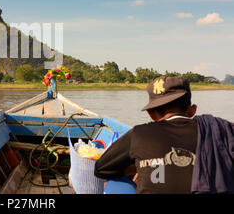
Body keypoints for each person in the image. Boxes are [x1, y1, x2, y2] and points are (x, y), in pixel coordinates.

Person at [94, 76, 234, 194]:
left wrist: (140, 167)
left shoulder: (139, 134)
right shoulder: (221, 130)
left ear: (151, 114)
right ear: (192, 110)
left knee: (114, 182)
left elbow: (101, 168)